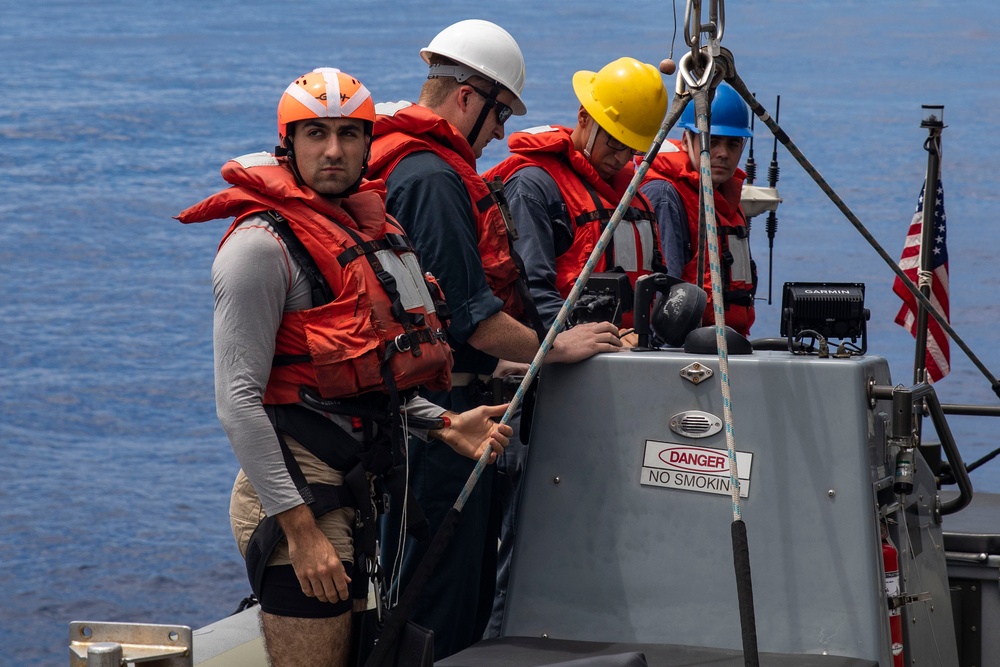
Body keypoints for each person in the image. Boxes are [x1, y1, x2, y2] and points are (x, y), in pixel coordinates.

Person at [176, 67, 512, 667]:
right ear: (289, 145)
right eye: (316, 134)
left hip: (361, 494)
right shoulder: (259, 248)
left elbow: (370, 376)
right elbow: (237, 402)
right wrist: (301, 532)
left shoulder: (376, 235)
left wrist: (441, 423)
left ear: (366, 143)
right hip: (297, 495)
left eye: (349, 134)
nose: (333, 150)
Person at [367, 20, 623, 659]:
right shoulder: (431, 178)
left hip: (432, 415)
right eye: (500, 113)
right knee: (444, 611)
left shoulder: (409, 166)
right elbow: (470, 316)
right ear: (467, 97)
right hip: (443, 433)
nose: (503, 133)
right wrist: (555, 349)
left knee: (433, 599)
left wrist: (503, 362)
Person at [480, 56, 668, 636]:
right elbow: (534, 288)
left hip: (609, 387)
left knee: (586, 526)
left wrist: (643, 333)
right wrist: (564, 345)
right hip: (540, 391)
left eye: (633, 147)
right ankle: (497, 640)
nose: (621, 156)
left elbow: (656, 278)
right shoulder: (534, 185)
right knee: (517, 534)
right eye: (614, 142)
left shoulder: (629, 191)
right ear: (584, 119)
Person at [639, 81, 757, 336]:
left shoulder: (728, 200)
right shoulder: (665, 195)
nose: (723, 153)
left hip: (728, 343)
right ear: (685, 140)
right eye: (712, 141)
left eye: (733, 144)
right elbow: (665, 294)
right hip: (684, 347)